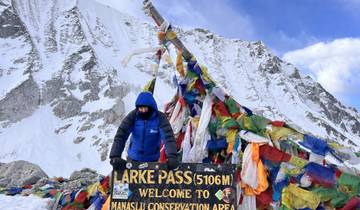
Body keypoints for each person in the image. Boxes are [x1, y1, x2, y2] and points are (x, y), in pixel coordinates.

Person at [109, 91, 178, 172]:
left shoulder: (160, 118)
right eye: (140, 108)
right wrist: (115, 156)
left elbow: (168, 137)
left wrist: (172, 156)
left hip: (152, 161)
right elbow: (121, 134)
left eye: (145, 108)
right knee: (132, 184)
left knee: (150, 185)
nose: (143, 110)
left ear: (151, 107)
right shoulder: (133, 116)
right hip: (132, 160)